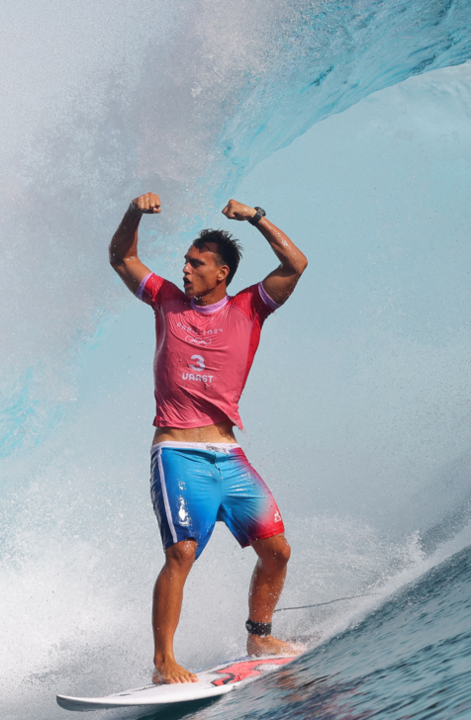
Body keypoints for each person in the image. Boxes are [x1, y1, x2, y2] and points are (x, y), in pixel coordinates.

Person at [108, 192, 309, 684]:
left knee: (277, 551)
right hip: (177, 451)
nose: (185, 269)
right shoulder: (165, 299)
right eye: (185, 261)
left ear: (221, 273)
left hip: (227, 453)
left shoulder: (249, 309)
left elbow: (296, 263)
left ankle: (259, 634)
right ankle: (163, 662)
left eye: (196, 264)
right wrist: (135, 211)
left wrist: (257, 216)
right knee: (181, 553)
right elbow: (122, 257)